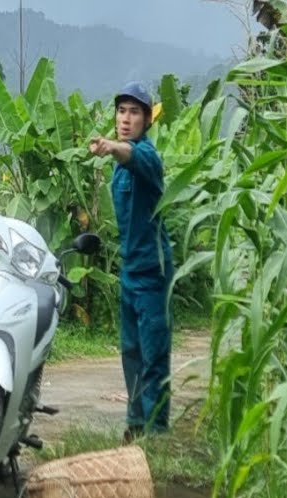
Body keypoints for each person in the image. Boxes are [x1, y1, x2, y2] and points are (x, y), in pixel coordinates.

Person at [88, 81, 173, 441]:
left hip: (153, 272)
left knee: (154, 355)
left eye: (134, 112)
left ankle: (157, 433)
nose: (125, 119)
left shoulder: (147, 157)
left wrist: (111, 146)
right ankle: (136, 425)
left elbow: (131, 155)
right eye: (121, 111)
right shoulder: (119, 168)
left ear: (147, 120)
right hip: (130, 270)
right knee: (131, 352)